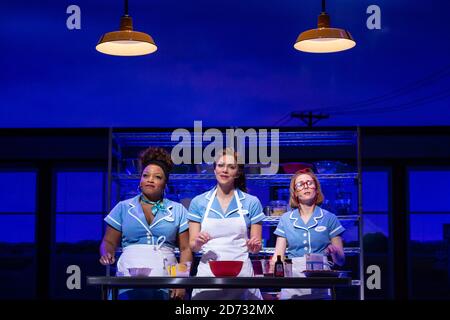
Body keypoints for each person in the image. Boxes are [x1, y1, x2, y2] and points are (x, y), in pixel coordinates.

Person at [99, 147, 193, 300]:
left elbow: (185, 249)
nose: (150, 179)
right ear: (140, 181)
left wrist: (180, 281)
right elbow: (108, 241)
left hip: (165, 281)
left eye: (157, 177)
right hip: (127, 281)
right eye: (145, 175)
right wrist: (106, 253)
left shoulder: (178, 210)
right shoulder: (123, 207)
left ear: (165, 183)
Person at [188, 148, 264, 300]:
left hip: (242, 274)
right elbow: (193, 247)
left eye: (231, 167)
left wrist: (254, 246)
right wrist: (197, 242)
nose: (225, 170)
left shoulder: (251, 202)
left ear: (237, 172)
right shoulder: (198, 202)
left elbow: (256, 247)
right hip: (208, 275)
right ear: (214, 168)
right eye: (221, 165)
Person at [272, 168, 345, 300]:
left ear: (317, 189)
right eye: (300, 184)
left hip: (321, 281)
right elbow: (278, 256)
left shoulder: (330, 218)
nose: (306, 186)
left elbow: (340, 261)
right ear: (295, 193)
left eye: (310, 183)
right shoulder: (286, 219)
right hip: (293, 280)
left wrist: (334, 252)